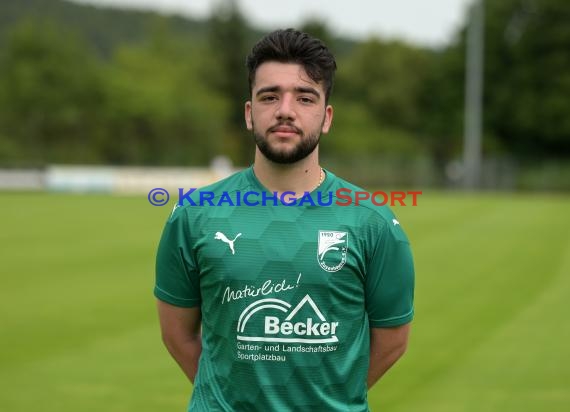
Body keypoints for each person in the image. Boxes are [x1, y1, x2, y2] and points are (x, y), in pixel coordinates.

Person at [154, 28, 415, 411]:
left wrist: (328, 399)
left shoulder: (372, 221)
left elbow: (392, 340)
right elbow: (177, 335)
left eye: (304, 97)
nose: (285, 110)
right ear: (249, 112)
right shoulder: (194, 214)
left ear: (326, 117)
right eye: (270, 96)